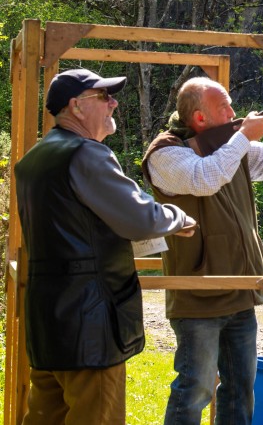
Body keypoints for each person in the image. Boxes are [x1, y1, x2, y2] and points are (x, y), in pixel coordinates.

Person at [141, 76, 263, 425]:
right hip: (197, 293)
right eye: (225, 108)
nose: (234, 112)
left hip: (240, 289)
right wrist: (244, 136)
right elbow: (205, 178)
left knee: (240, 390)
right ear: (200, 118)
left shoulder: (228, 145)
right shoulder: (165, 154)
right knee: (195, 389)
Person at [14, 68, 197, 425]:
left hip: (48, 319)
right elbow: (139, 218)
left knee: (43, 416)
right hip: (89, 320)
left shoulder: (34, 158)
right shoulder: (86, 154)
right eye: (104, 97)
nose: (113, 103)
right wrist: (178, 217)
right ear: (76, 107)